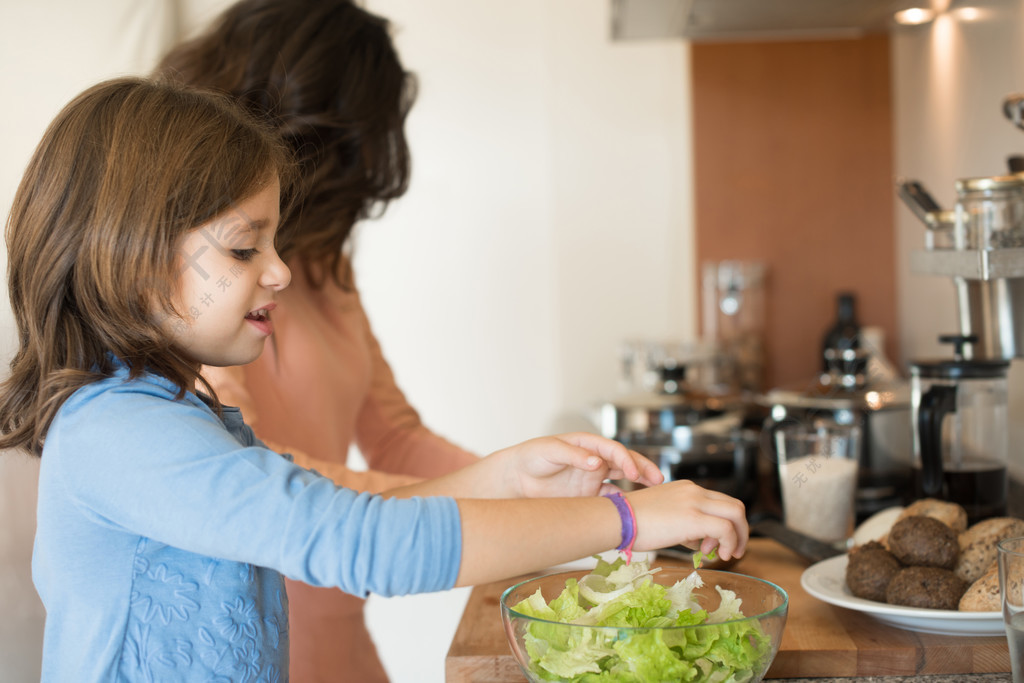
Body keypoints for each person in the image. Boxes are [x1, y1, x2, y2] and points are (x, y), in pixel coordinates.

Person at [0, 77, 748, 682]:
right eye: (242, 247)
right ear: (128, 259)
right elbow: (359, 542)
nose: (281, 270)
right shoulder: (121, 434)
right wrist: (628, 521)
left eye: (275, 240)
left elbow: (325, 509)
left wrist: (505, 476)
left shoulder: (169, 413)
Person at [152, 1, 507, 678]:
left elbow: (394, 434)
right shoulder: (192, 280)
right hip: (266, 622)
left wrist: (539, 483)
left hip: (341, 608)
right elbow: (245, 463)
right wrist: (497, 503)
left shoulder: (318, 260)